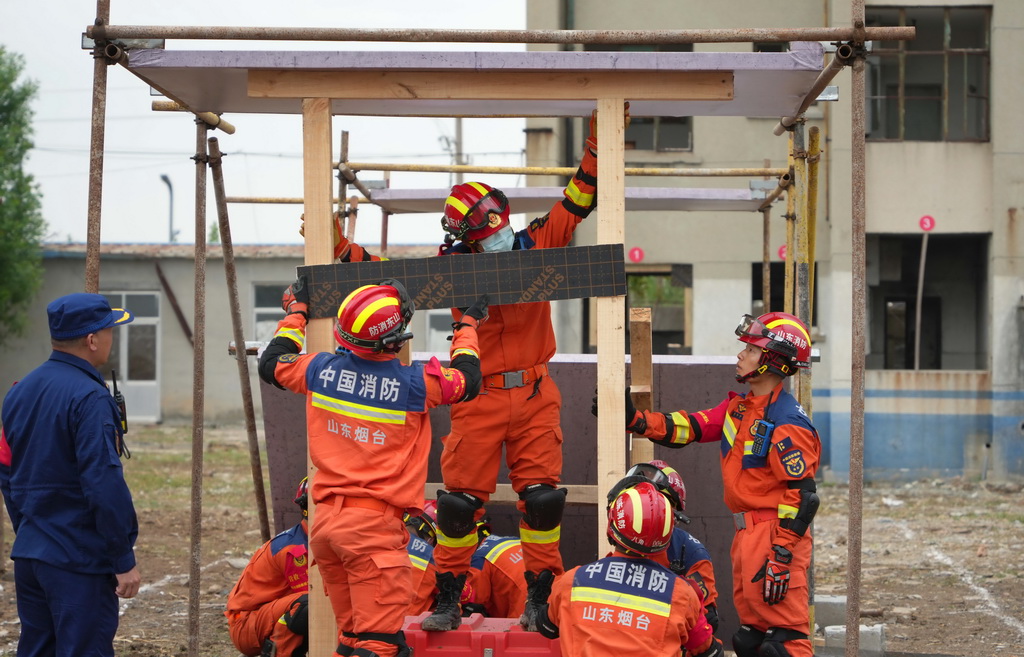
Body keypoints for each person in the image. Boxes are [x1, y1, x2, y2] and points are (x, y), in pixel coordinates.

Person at [310, 104, 630, 632]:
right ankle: (448, 598)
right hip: (477, 396)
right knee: (458, 507)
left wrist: (598, 142)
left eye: (496, 227)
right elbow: (388, 277)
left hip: (534, 394)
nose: (495, 238)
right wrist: (341, 246)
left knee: (543, 501)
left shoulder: (536, 244)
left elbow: (580, 196)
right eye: (483, 235)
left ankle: (539, 597)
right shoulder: (453, 269)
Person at [258, 276, 487, 657]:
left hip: (326, 526)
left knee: (353, 640)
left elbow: (271, 363)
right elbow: (469, 379)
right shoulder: (415, 384)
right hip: (372, 534)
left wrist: (296, 313)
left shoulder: (318, 369)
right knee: (379, 645)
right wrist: (467, 327)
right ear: (393, 341)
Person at [619, 312, 821, 657]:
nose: (741, 355)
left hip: (775, 537)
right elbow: (691, 426)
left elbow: (803, 496)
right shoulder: (739, 409)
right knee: (749, 639)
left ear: (774, 360)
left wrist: (782, 554)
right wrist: (637, 421)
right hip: (746, 535)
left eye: (752, 350)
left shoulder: (787, 421)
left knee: (784, 642)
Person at [0, 292, 141, 657]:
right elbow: (103, 483)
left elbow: (6, 472)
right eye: (109, 330)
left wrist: (31, 530)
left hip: (32, 555)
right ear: (92, 340)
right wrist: (122, 558)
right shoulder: (90, 398)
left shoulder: (18, 392)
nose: (112, 338)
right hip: (78, 561)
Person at [536, 479, 723, 657]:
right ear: (668, 536)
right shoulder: (682, 594)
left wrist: (540, 599)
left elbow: (547, 628)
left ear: (612, 525)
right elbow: (708, 651)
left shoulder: (572, 581)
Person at [628, 460, 720, 632]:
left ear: (673, 511)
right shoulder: (621, 539)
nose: (645, 508)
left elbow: (707, 619)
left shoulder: (691, 553)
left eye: (654, 501)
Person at [226, 477, 311, 657]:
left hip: (264, 616)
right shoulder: (295, 549)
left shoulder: (307, 539)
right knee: (311, 604)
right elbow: (318, 600)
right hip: (248, 625)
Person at [404, 502, 527, 619]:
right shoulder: (506, 542)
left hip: (524, 602)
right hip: (532, 593)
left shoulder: (478, 560)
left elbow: (474, 602)